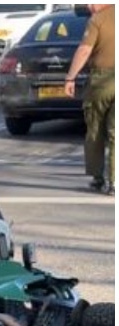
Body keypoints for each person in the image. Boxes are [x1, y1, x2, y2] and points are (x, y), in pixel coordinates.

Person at [65, 3, 114, 195]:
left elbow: (84, 50)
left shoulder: (97, 20)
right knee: (115, 133)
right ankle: (114, 182)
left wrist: (70, 78)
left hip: (102, 81)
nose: (88, 5)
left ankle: (98, 178)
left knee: (95, 129)